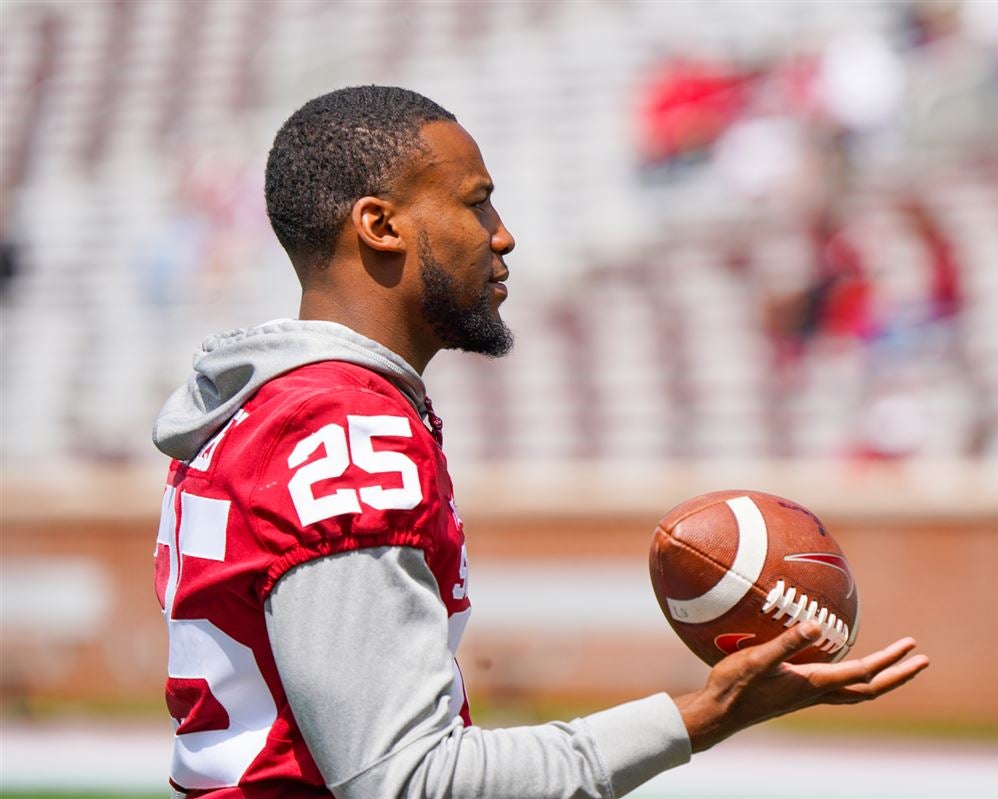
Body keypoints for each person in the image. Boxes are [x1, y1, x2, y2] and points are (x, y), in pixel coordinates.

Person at [151, 85, 929, 799]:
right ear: (381, 225)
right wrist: (701, 715)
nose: (504, 235)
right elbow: (404, 781)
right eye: (476, 204)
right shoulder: (345, 425)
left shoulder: (267, 407)